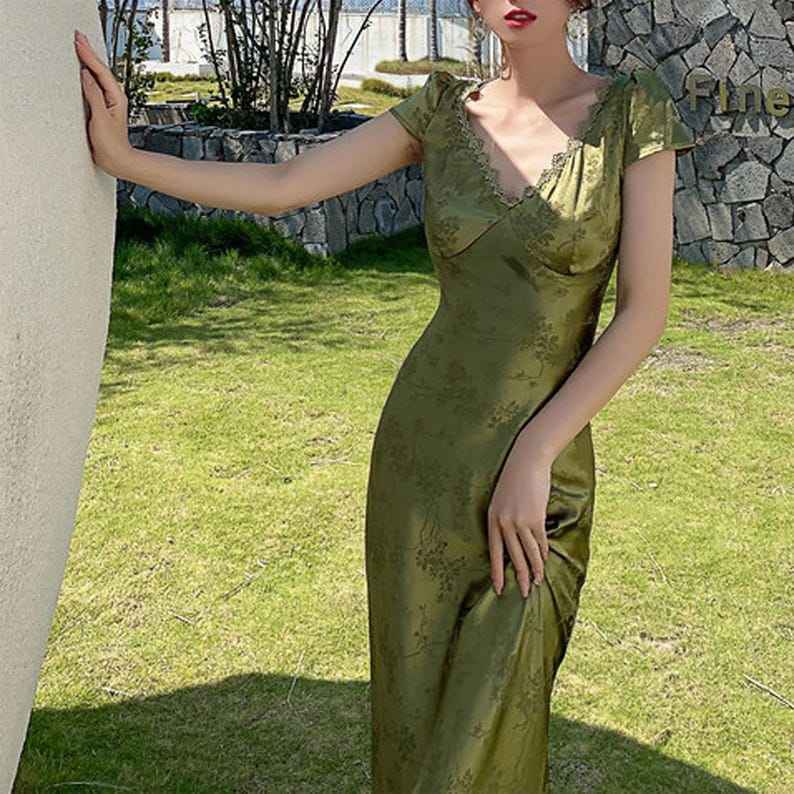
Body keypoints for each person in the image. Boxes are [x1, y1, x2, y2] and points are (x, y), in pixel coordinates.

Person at [74, 0, 695, 789]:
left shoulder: (632, 113)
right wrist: (123, 158)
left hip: (542, 479)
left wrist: (535, 453)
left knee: (490, 737)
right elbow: (286, 184)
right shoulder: (440, 111)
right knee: (416, 729)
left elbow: (644, 313)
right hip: (422, 464)